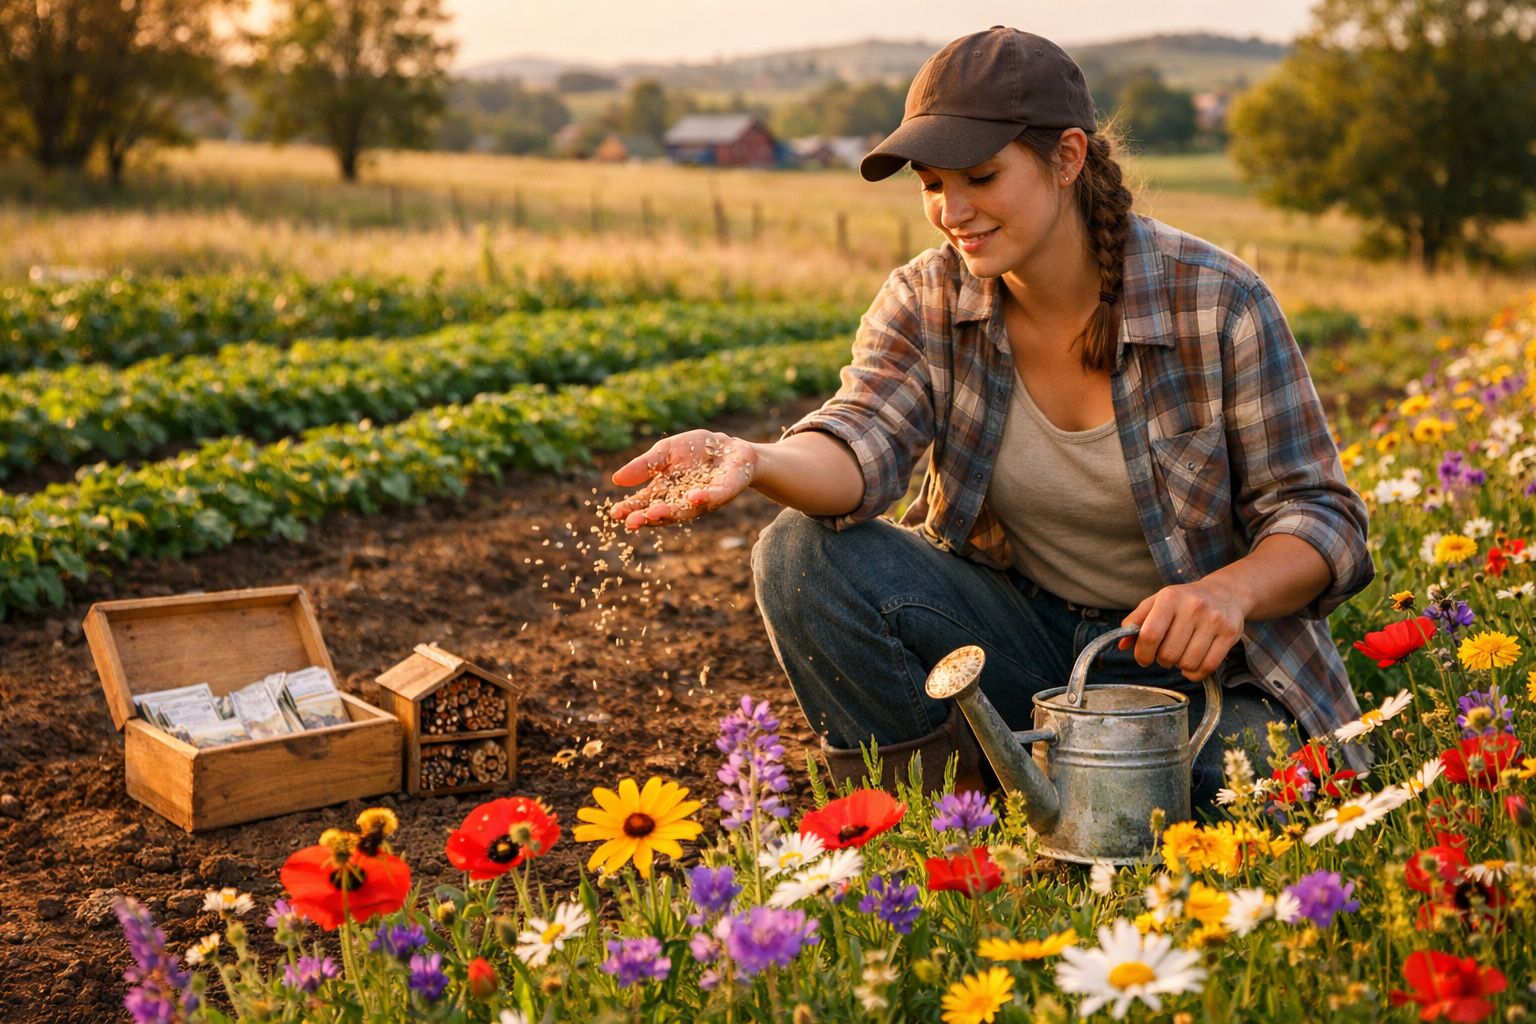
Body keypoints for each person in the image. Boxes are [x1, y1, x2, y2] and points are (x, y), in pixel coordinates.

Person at [609, 26, 1372, 808]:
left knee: (1261, 788)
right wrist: (758, 459)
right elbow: (859, 442)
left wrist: (1229, 593)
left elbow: (1324, 519)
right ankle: (954, 819)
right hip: (1015, 641)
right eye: (933, 184)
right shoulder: (927, 300)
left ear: (1068, 158)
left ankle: (1048, 783)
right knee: (800, 555)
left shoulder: (1216, 301)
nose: (953, 211)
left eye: (980, 176)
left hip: (1190, 672)